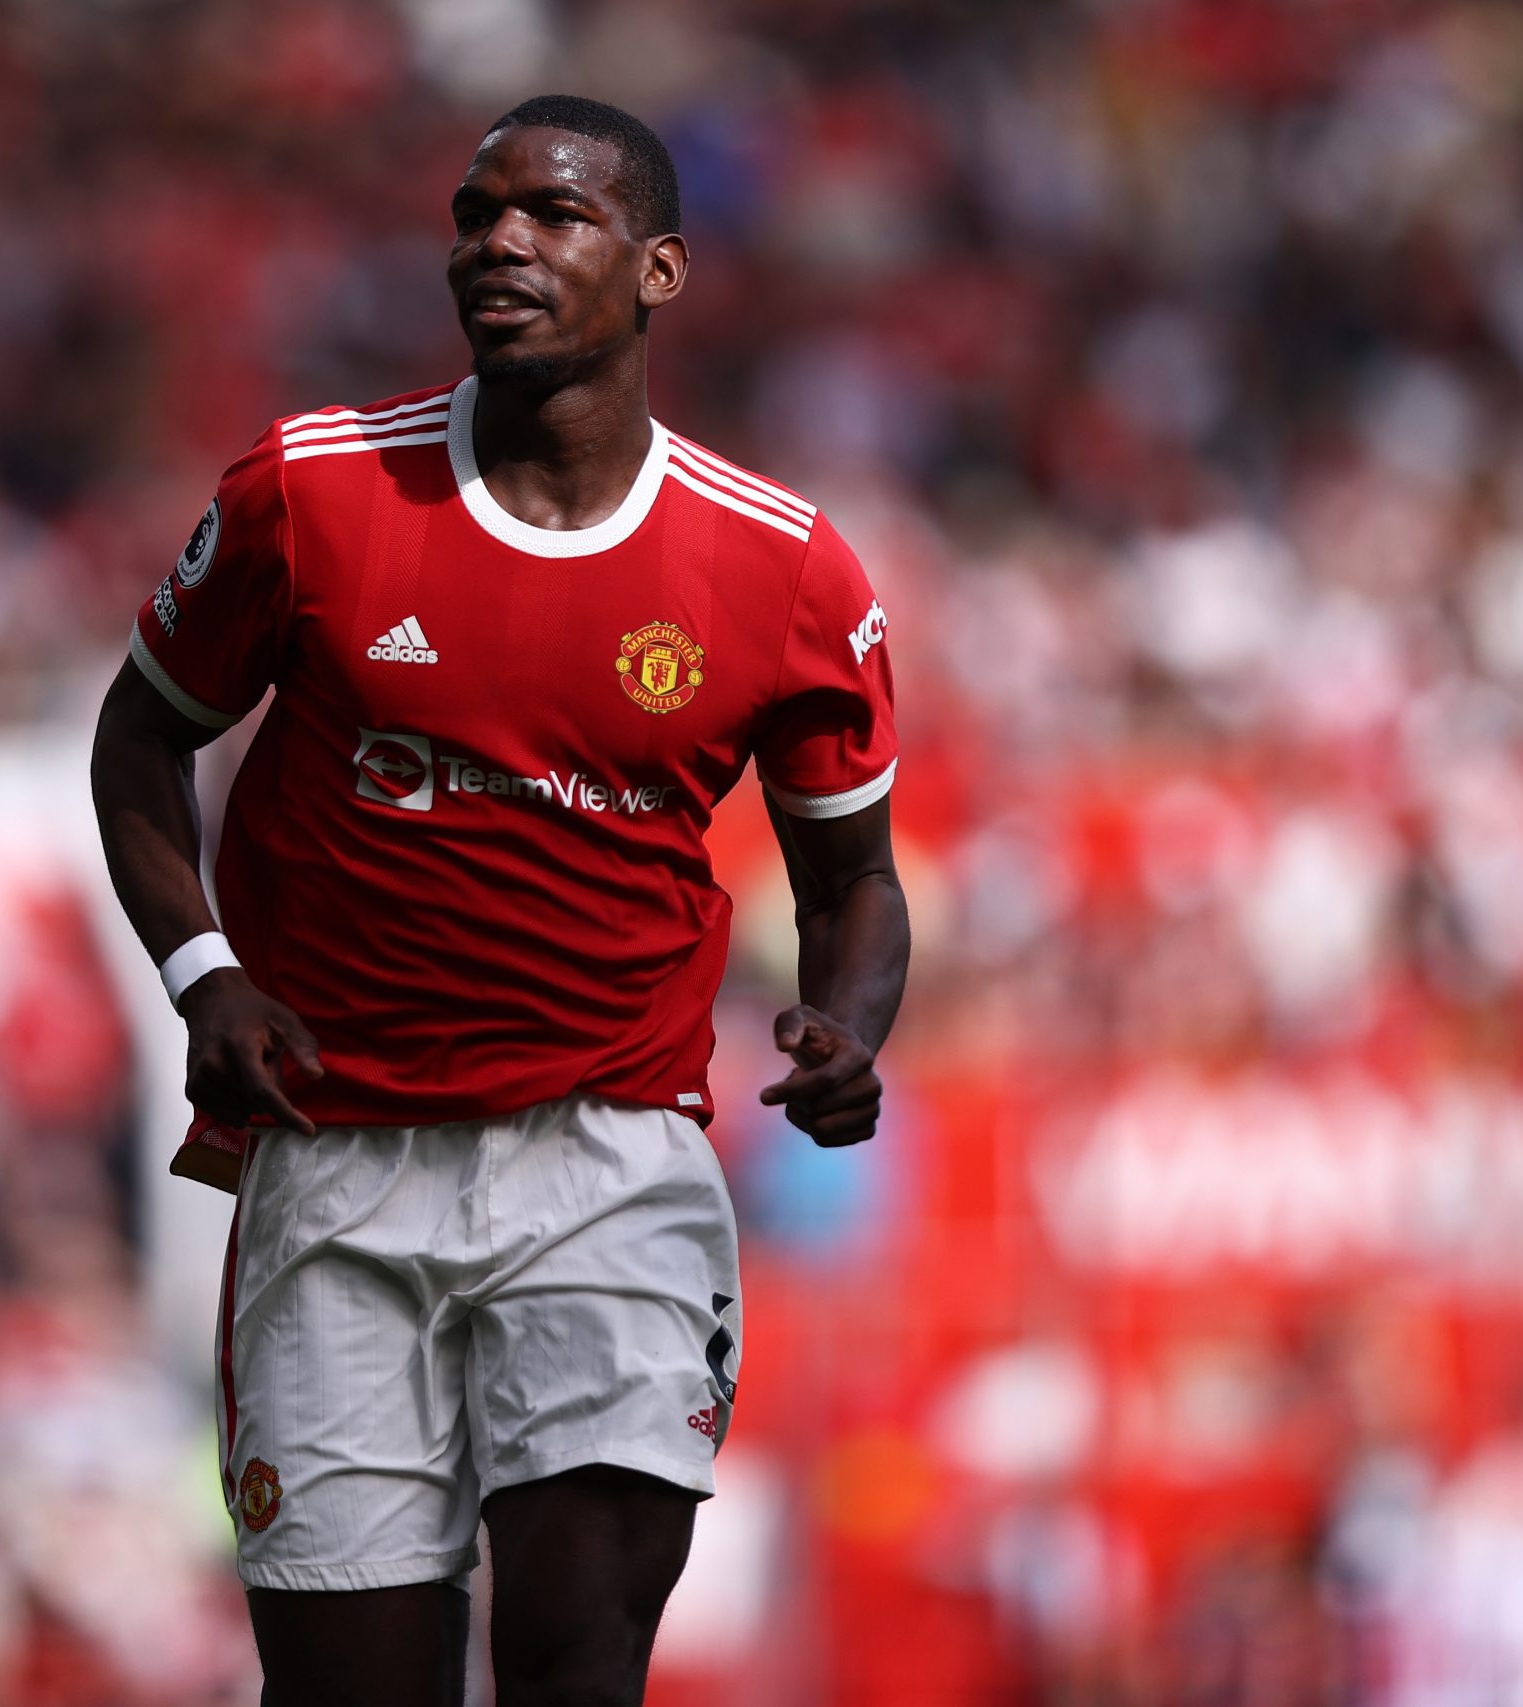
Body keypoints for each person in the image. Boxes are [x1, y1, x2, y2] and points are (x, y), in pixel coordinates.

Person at [88, 94, 910, 1707]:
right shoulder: (311, 494)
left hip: (613, 1159)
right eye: (477, 216)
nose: (500, 245)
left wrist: (849, 1023)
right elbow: (142, 732)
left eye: (552, 215)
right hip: (338, 1165)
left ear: (660, 268)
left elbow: (855, 877)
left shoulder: (784, 568)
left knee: (576, 1656)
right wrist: (203, 972)